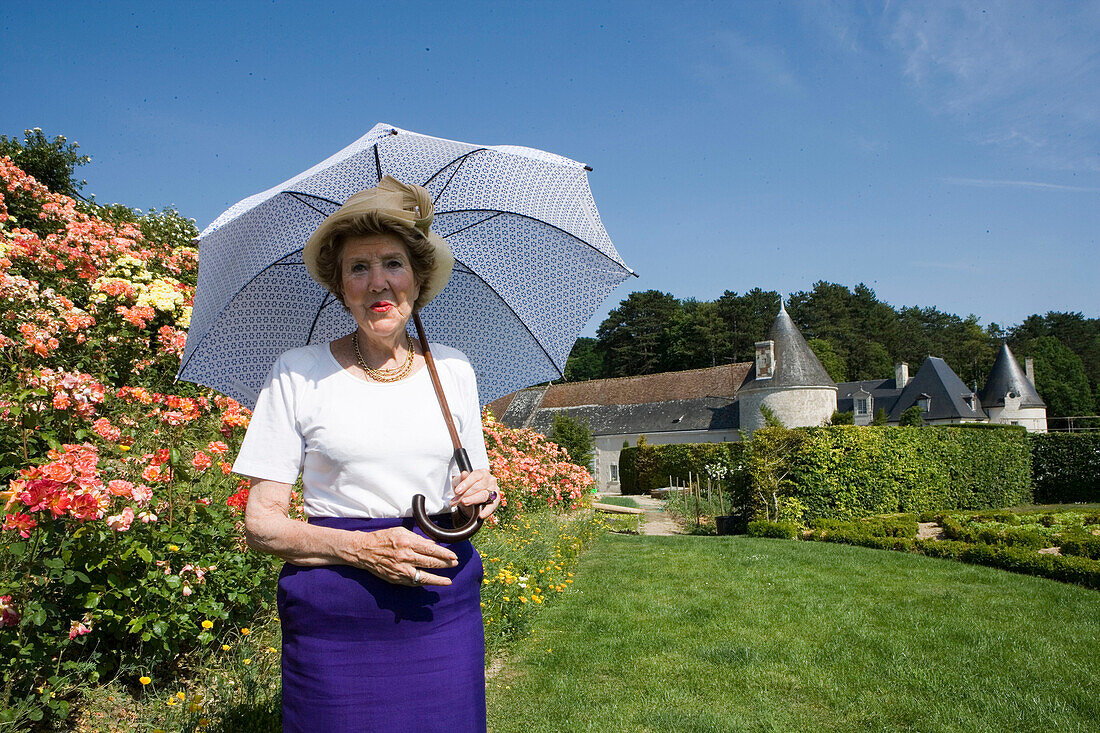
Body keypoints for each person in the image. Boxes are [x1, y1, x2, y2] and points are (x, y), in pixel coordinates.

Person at [233, 176, 501, 733]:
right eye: (359, 268)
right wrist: (364, 550)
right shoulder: (297, 371)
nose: (377, 282)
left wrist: (486, 492)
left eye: (392, 263)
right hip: (338, 612)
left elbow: (478, 480)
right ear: (340, 286)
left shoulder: (453, 369)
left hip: (439, 602)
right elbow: (260, 525)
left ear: (418, 278)